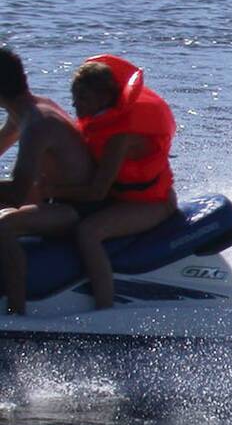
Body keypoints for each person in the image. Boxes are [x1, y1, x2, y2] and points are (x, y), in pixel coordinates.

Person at [51, 54, 177, 310]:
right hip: (121, 200)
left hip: (153, 204)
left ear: (105, 98)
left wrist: (50, 189)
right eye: (74, 96)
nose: (75, 103)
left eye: (83, 97)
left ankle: (104, 308)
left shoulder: (120, 136)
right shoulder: (99, 123)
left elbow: (97, 192)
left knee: (88, 233)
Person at [0, 47, 97, 314]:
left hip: (76, 208)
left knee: (3, 225)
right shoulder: (26, 111)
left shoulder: (37, 124)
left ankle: (16, 312)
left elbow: (17, 193)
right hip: (54, 200)